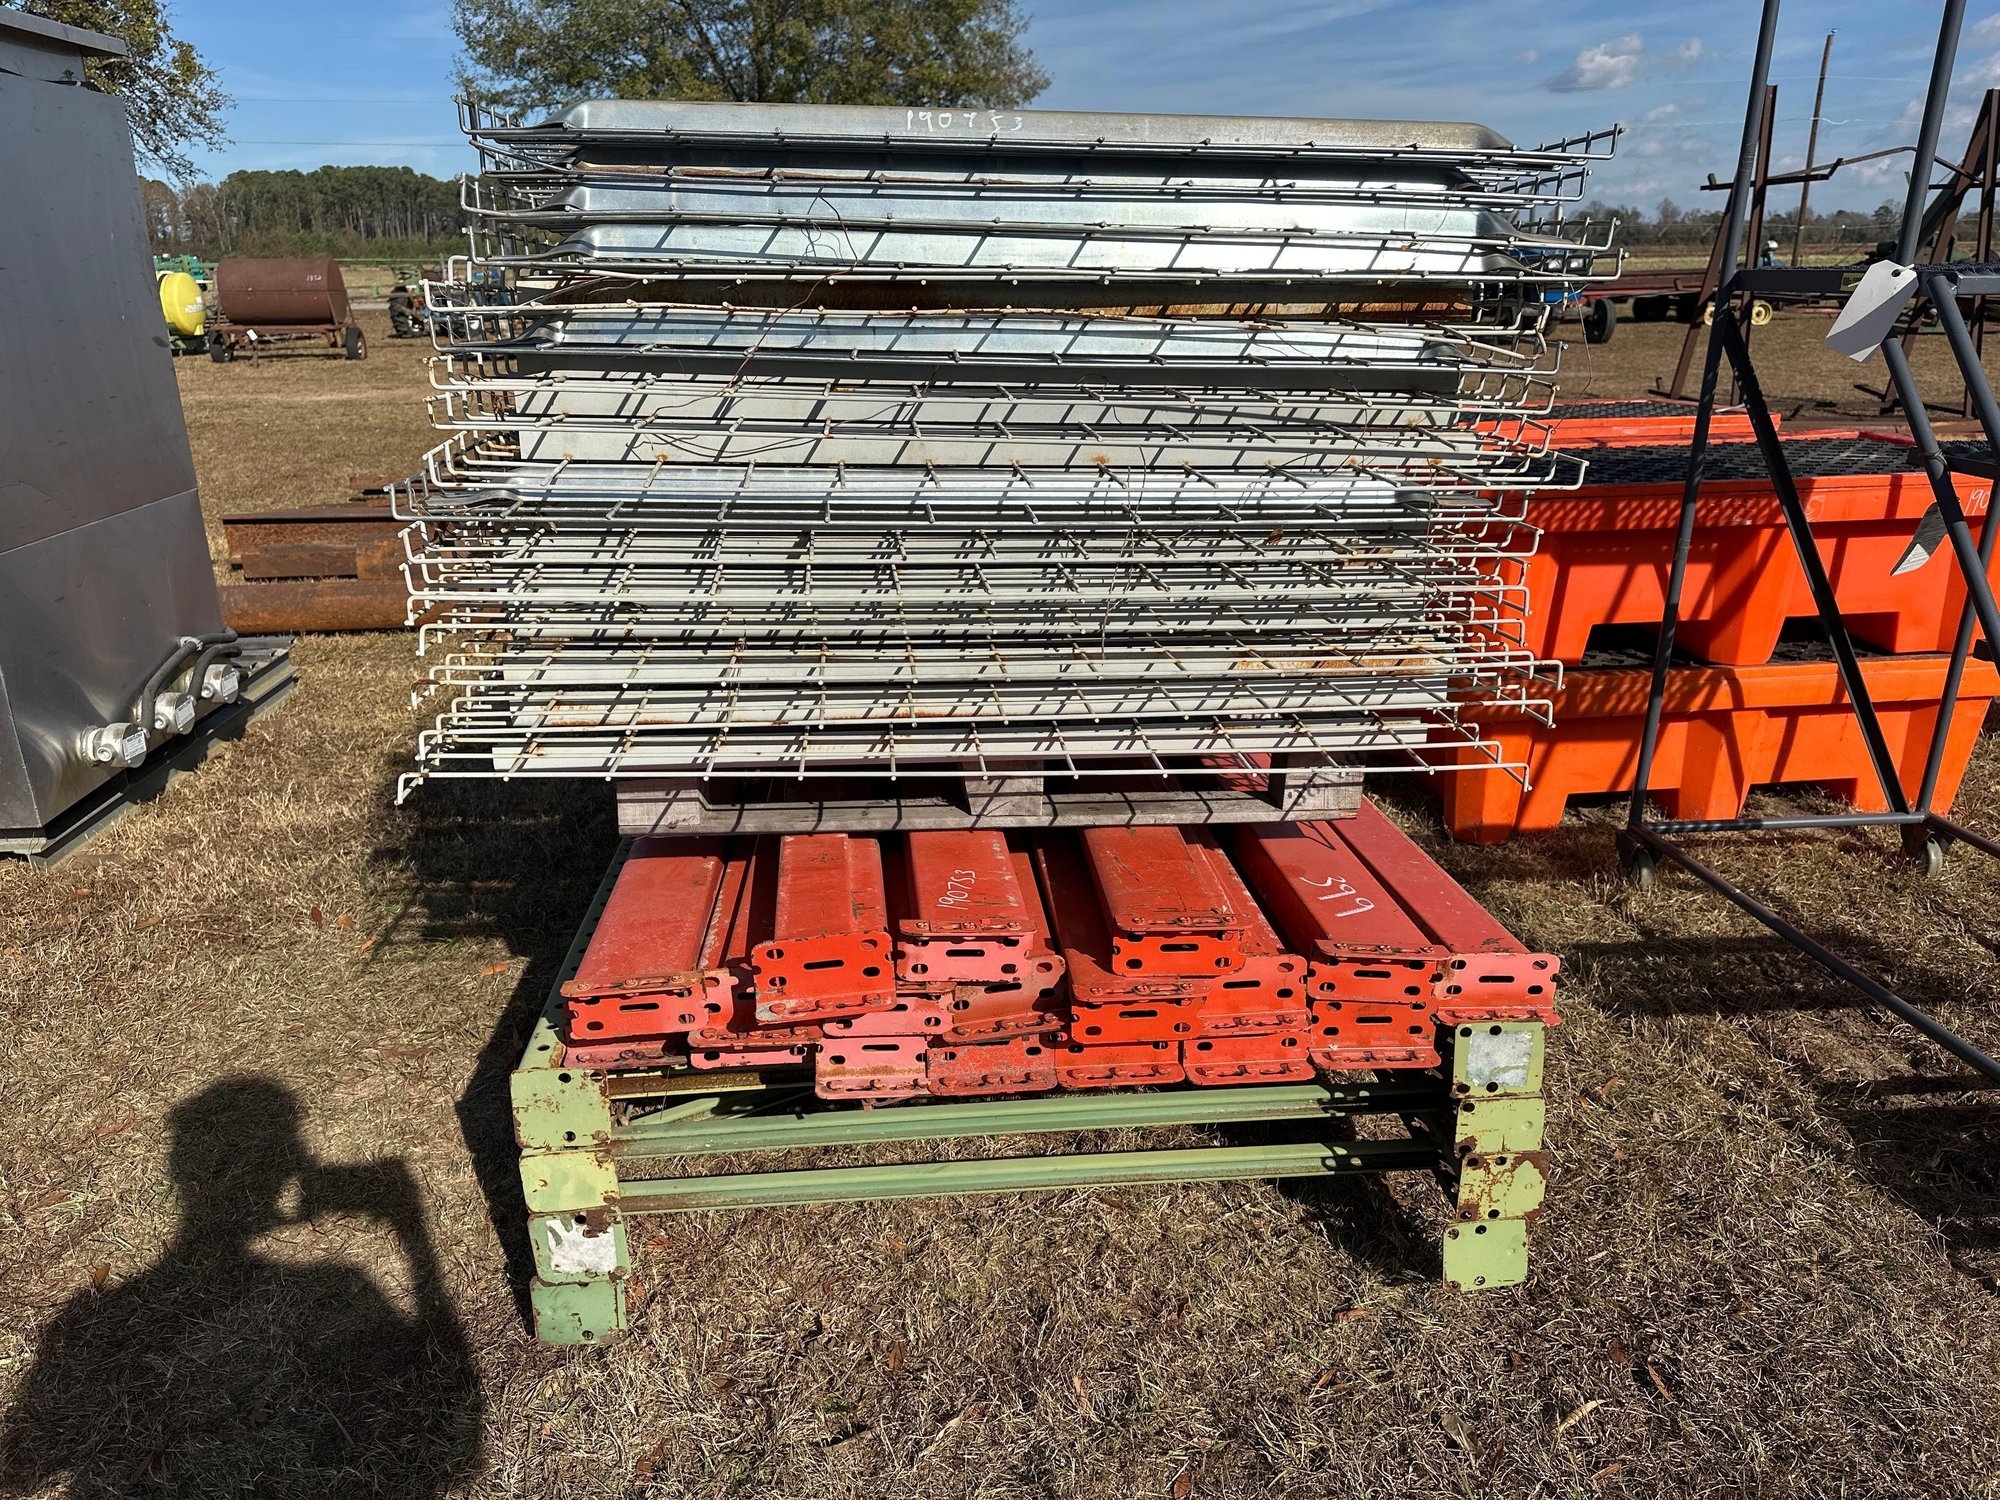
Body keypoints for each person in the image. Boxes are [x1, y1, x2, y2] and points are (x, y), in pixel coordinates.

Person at [0, 1078, 482, 1497]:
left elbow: (25, 1466)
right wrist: (411, 1228)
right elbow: (457, 1450)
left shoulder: (86, 1323)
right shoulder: (344, 1283)